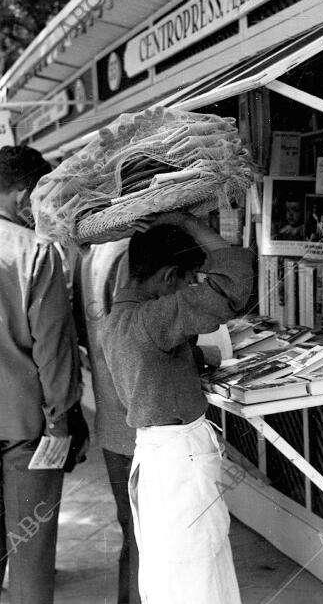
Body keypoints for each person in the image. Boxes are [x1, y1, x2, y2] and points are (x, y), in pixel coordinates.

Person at [101, 211, 253, 604]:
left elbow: (150, 362)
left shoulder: (119, 317)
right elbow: (234, 280)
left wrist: (196, 358)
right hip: (178, 464)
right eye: (188, 280)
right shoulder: (152, 320)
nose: (191, 287)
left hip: (157, 459)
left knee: (177, 577)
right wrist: (186, 222)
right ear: (170, 277)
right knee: (198, 575)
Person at [0, 145, 88, 604]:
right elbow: (53, 349)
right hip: (28, 430)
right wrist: (63, 418)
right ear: (23, 197)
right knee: (30, 553)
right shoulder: (36, 252)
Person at [73, 238, 141, 604]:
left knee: (130, 526)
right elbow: (130, 339)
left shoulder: (92, 253)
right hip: (134, 413)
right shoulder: (129, 252)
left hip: (110, 412)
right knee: (144, 531)